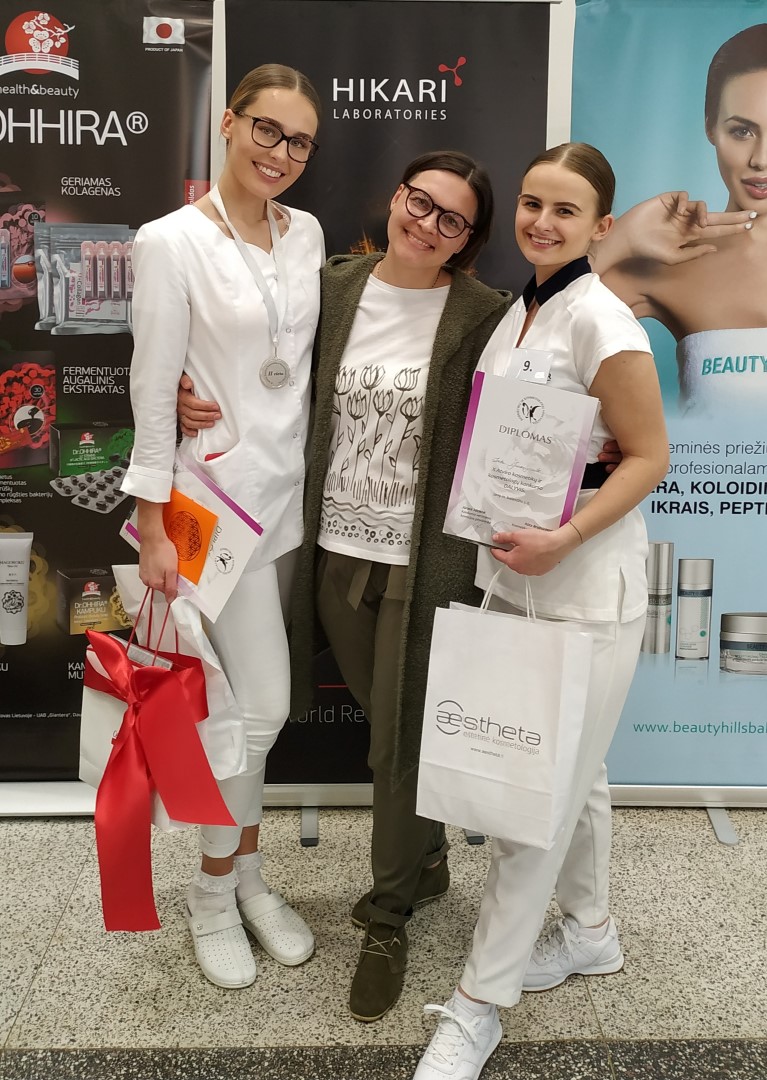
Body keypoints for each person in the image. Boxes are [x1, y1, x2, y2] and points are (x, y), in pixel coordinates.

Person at [177, 150, 626, 1021]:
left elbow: (545, 403)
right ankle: (424, 865)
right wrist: (183, 392)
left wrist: (597, 445)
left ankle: (387, 917)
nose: (427, 224)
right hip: (327, 551)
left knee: (399, 749)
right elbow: (248, 356)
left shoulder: (487, 314)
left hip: (423, 565)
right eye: (420, 203)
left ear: (468, 241)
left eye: (452, 220)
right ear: (395, 198)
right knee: (376, 724)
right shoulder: (332, 286)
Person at [413, 142, 669, 1080]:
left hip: (583, 596)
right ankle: (590, 931)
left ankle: (479, 1006)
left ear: (602, 226)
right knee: (574, 775)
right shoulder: (519, 312)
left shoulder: (602, 321)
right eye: (530, 203)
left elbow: (650, 456)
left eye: (565, 210)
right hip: (515, 583)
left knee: (530, 802)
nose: (541, 222)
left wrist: (564, 537)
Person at [120, 64, 325, 990]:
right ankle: (213, 892)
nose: (281, 153)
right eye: (267, 131)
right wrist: (152, 521)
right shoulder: (169, 241)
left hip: (283, 509)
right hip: (209, 511)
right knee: (258, 708)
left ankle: (244, 876)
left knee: (244, 712)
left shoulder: (305, 234)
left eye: (300, 141)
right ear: (231, 125)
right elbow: (149, 385)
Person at [594, 23, 767, 412]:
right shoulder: (670, 263)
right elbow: (536, 352)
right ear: (710, 127)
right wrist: (619, 240)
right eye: (742, 131)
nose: (762, 159)